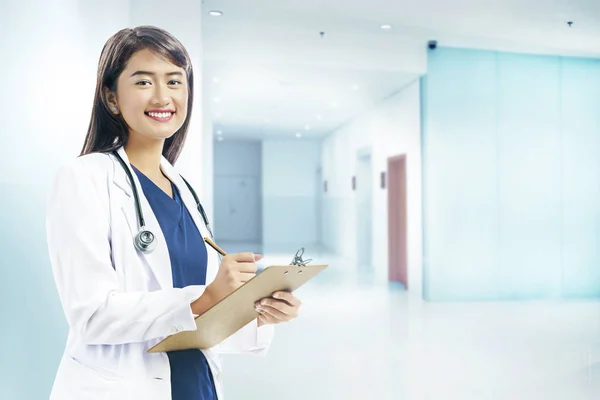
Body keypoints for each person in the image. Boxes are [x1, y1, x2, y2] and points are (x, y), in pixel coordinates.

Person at [45, 25, 302, 400]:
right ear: (111, 97)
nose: (163, 96)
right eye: (144, 82)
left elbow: (201, 318)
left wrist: (259, 311)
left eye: (175, 81)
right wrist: (205, 297)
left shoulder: (183, 188)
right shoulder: (83, 179)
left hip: (194, 383)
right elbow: (92, 316)